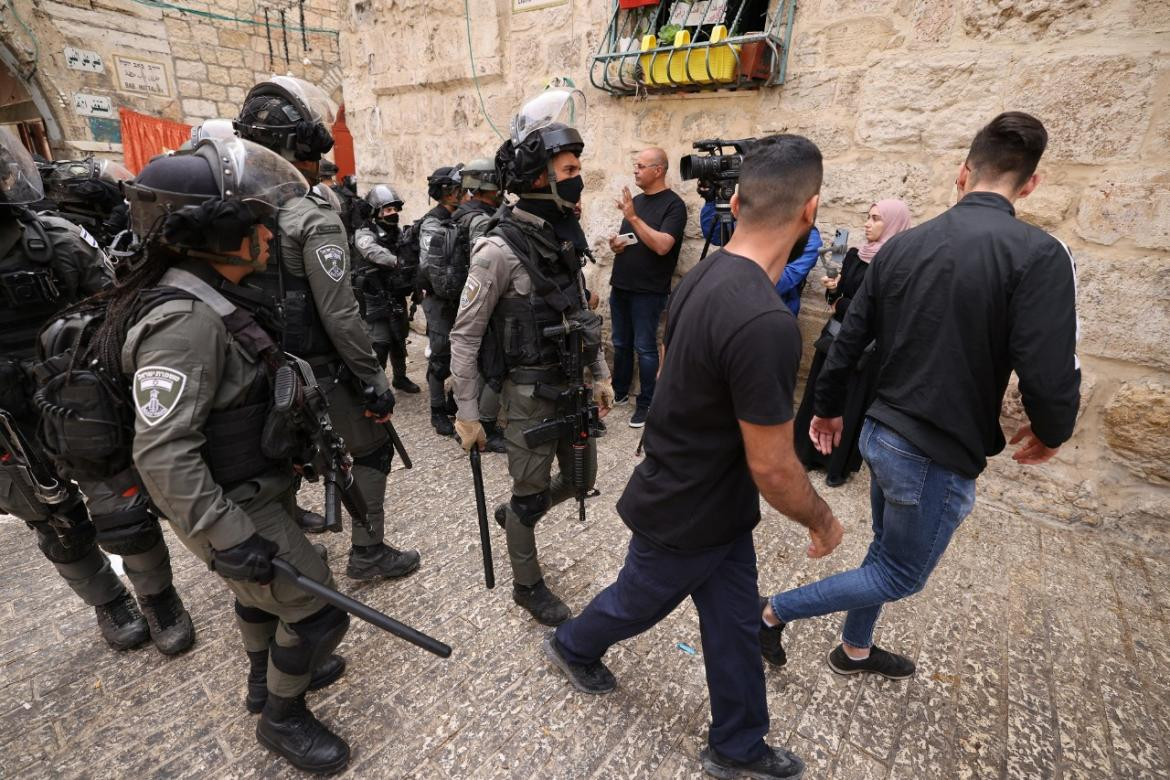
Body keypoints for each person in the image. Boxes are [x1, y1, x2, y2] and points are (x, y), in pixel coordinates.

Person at [544, 135, 844, 780]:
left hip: (716, 503)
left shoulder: (708, 272)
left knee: (734, 622)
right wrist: (821, 519)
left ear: (735, 201)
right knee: (638, 602)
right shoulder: (766, 322)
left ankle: (738, 745)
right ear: (810, 211)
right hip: (684, 505)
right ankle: (572, 643)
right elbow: (773, 466)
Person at [762, 112, 1080, 680]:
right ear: (1031, 184)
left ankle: (854, 650)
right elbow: (1047, 366)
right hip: (931, 448)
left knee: (885, 549)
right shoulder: (1038, 253)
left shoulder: (905, 247)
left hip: (881, 432)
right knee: (899, 573)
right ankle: (769, 613)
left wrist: (828, 408)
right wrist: (1054, 429)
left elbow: (847, 337)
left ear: (963, 174)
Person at [72, 138, 351, 772]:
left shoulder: (209, 293)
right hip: (230, 501)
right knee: (315, 610)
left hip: (252, 483)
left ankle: (262, 677)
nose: (270, 231)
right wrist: (228, 538)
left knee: (261, 592)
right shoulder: (185, 321)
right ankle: (284, 717)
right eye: (257, 220)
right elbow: (164, 452)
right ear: (216, 232)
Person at [0, 127, 193, 655]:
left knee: (123, 509)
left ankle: (159, 599)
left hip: (74, 401)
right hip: (7, 426)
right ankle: (110, 602)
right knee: (54, 522)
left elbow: (115, 305)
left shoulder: (53, 239)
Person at [234, 76, 420, 577]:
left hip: (248, 362)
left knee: (275, 461)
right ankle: (368, 553)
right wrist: (372, 379)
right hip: (312, 366)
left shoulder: (225, 209)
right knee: (373, 449)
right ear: (303, 147)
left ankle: (290, 548)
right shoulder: (308, 216)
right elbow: (339, 314)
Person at [448, 87, 614, 625]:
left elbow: (582, 318)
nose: (577, 174)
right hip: (527, 396)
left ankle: (518, 517)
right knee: (529, 494)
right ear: (540, 176)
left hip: (570, 386)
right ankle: (527, 583)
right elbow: (465, 335)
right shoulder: (497, 249)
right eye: (569, 166)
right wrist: (468, 412)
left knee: (582, 479)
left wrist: (601, 375)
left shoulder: (565, 241)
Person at [792, 199, 911, 487]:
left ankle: (836, 465)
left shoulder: (897, 265)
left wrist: (843, 305)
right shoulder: (856, 255)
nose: (867, 224)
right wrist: (833, 293)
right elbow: (838, 302)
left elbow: (879, 314)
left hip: (866, 350)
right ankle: (806, 454)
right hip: (835, 339)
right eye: (867, 217)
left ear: (894, 223)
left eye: (876, 218)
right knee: (821, 394)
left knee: (850, 403)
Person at [607, 147, 686, 427]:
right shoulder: (636, 201)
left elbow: (663, 246)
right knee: (620, 342)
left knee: (645, 347)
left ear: (658, 170)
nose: (635, 170)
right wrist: (616, 245)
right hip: (622, 284)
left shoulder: (673, 205)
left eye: (641, 166)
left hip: (649, 290)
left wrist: (634, 217)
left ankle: (646, 403)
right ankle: (618, 393)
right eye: (635, 165)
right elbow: (629, 239)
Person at [451, 158, 506, 453]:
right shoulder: (481, 219)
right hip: (479, 300)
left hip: (460, 297)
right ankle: (484, 424)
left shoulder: (461, 212)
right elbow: (481, 264)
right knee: (495, 368)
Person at [699, 185, 820, 317]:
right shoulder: (751, 221)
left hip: (771, 314)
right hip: (732, 308)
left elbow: (782, 281)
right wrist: (712, 200)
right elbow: (716, 235)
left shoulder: (808, 237)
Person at [352, 183, 421, 392]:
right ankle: (377, 386)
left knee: (399, 339)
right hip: (374, 298)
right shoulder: (364, 233)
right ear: (376, 212)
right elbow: (371, 251)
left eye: (394, 209)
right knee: (380, 344)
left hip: (395, 294)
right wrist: (396, 261)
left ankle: (400, 378)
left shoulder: (397, 233)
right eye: (387, 210)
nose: (393, 214)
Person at [417, 164, 465, 437]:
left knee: (464, 354)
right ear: (447, 193)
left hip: (459, 297)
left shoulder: (460, 216)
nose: (463, 193)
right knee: (440, 353)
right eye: (458, 189)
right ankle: (437, 410)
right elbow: (429, 264)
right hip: (439, 299)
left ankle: (454, 401)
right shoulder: (432, 222)